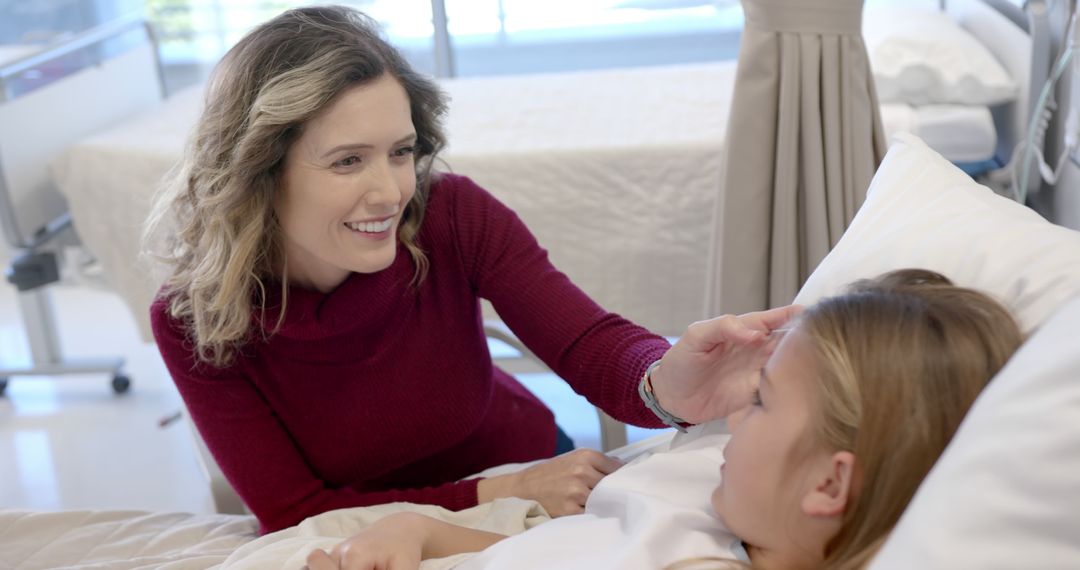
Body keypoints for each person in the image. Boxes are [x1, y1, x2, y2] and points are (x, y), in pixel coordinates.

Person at [144, 5, 798, 534]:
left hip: (542, 478)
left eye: (401, 152)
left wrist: (665, 383)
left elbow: (586, 342)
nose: (390, 192)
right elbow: (293, 513)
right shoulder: (195, 324)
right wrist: (498, 491)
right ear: (259, 172)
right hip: (395, 531)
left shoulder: (450, 215)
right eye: (348, 161)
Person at [304, 269, 1024, 570]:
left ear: (830, 487)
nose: (737, 415)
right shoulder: (717, 518)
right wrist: (424, 531)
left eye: (763, 401)